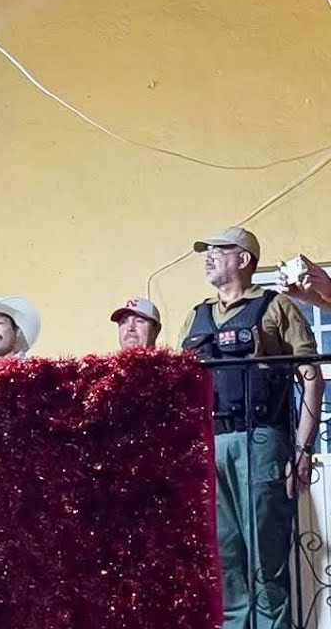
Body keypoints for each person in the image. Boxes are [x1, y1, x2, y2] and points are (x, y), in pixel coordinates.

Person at [178, 226, 324, 629]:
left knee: (267, 559)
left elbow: (311, 376)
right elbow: (180, 386)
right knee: (223, 559)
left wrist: (301, 449)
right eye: (206, 251)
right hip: (210, 445)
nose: (208, 257)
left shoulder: (276, 307)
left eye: (218, 250)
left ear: (244, 259)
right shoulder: (196, 315)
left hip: (260, 440)